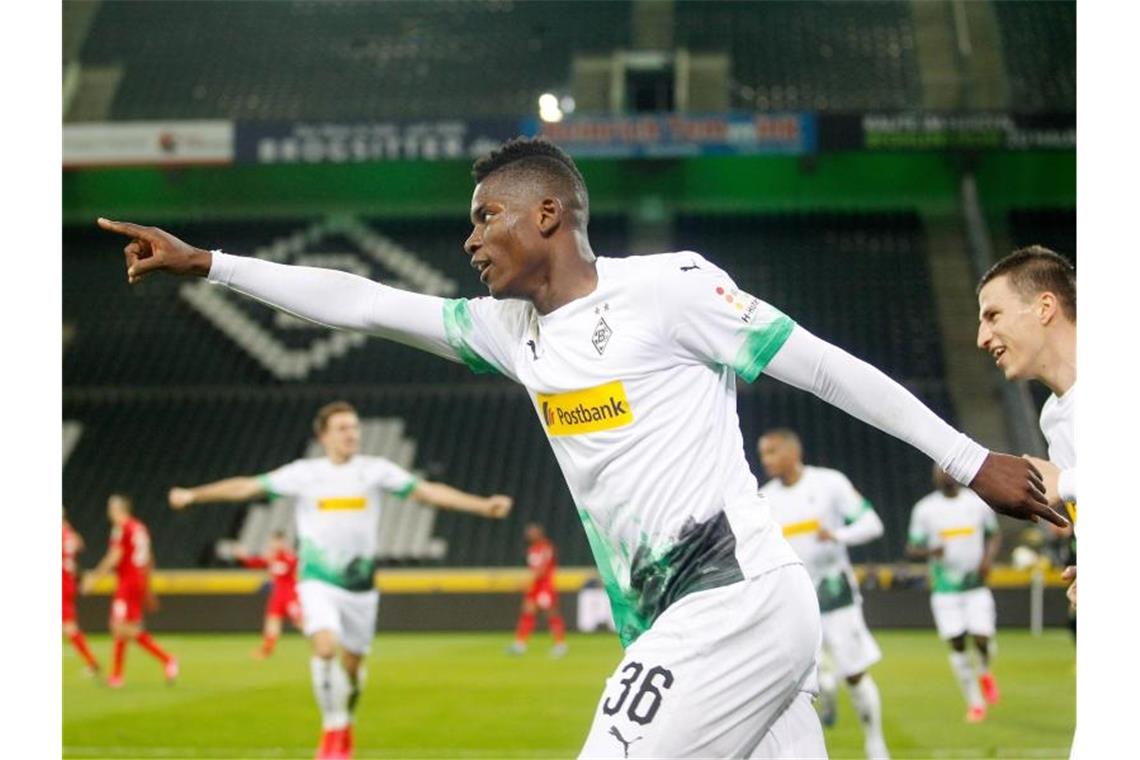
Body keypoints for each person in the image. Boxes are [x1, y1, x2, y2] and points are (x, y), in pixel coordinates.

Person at [100, 136, 1061, 758]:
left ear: (547, 214)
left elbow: (824, 368)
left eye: (487, 217)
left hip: (731, 599)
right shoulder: (511, 336)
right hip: (692, 622)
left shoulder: (670, 290)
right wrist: (211, 263)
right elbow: (366, 301)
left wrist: (974, 461)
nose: (470, 238)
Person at [166, 400, 512, 760]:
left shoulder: (375, 470)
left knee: (353, 667)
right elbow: (247, 487)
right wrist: (195, 494)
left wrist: (481, 506)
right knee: (325, 646)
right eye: (343, 428)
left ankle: (344, 719)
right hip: (317, 581)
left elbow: (428, 492)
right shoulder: (305, 473)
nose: (352, 434)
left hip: (361, 588)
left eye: (354, 427)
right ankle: (332, 729)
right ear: (324, 436)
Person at [758, 429, 890, 760]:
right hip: (792, 603)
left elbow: (872, 524)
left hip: (836, 594)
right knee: (797, 686)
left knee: (855, 671)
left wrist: (837, 534)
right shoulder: (763, 498)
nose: (766, 460)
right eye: (763, 453)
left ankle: (876, 744)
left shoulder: (830, 483)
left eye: (772, 452)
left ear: (792, 451)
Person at [976, 246, 1076, 597]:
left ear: (1044, 308)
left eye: (993, 316)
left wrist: (1063, 483)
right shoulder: (1053, 417)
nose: (982, 338)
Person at [907, 467, 1002, 723]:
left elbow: (994, 535)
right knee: (958, 642)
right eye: (937, 472)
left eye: (946, 471)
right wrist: (929, 552)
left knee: (982, 638)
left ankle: (984, 671)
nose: (942, 476)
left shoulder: (976, 503)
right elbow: (912, 548)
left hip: (975, 586)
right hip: (945, 589)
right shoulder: (925, 509)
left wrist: (988, 560)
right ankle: (975, 702)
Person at [82, 494, 178, 688]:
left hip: (127, 582)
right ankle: (117, 676)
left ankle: (167, 659)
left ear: (118, 509)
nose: (109, 511)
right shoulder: (139, 527)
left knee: (120, 626)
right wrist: (148, 587)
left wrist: (94, 578)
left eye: (111, 507)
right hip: (138, 580)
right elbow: (149, 559)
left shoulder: (122, 528)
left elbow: (115, 556)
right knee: (123, 629)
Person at [235, 530, 303, 660]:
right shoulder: (272, 557)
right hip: (277, 595)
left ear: (283, 542)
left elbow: (298, 570)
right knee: (272, 622)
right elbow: (256, 563)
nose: (275, 544)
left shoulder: (290, 557)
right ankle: (266, 651)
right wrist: (243, 557)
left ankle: (320, 641)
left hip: (291, 596)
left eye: (278, 541)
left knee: (301, 622)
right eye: (274, 541)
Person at [508, 523, 567, 658]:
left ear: (540, 533)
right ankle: (520, 645)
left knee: (551, 613)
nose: (529, 534)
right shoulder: (531, 549)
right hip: (535, 586)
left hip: (545, 586)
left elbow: (543, 569)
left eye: (532, 532)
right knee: (527, 612)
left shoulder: (546, 547)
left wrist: (525, 581)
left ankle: (560, 645)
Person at [63, 511, 101, 676]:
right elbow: (80, 546)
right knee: (68, 626)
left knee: (69, 627)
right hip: (69, 581)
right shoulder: (70, 535)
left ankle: (92, 663)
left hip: (61, 582)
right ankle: (92, 662)